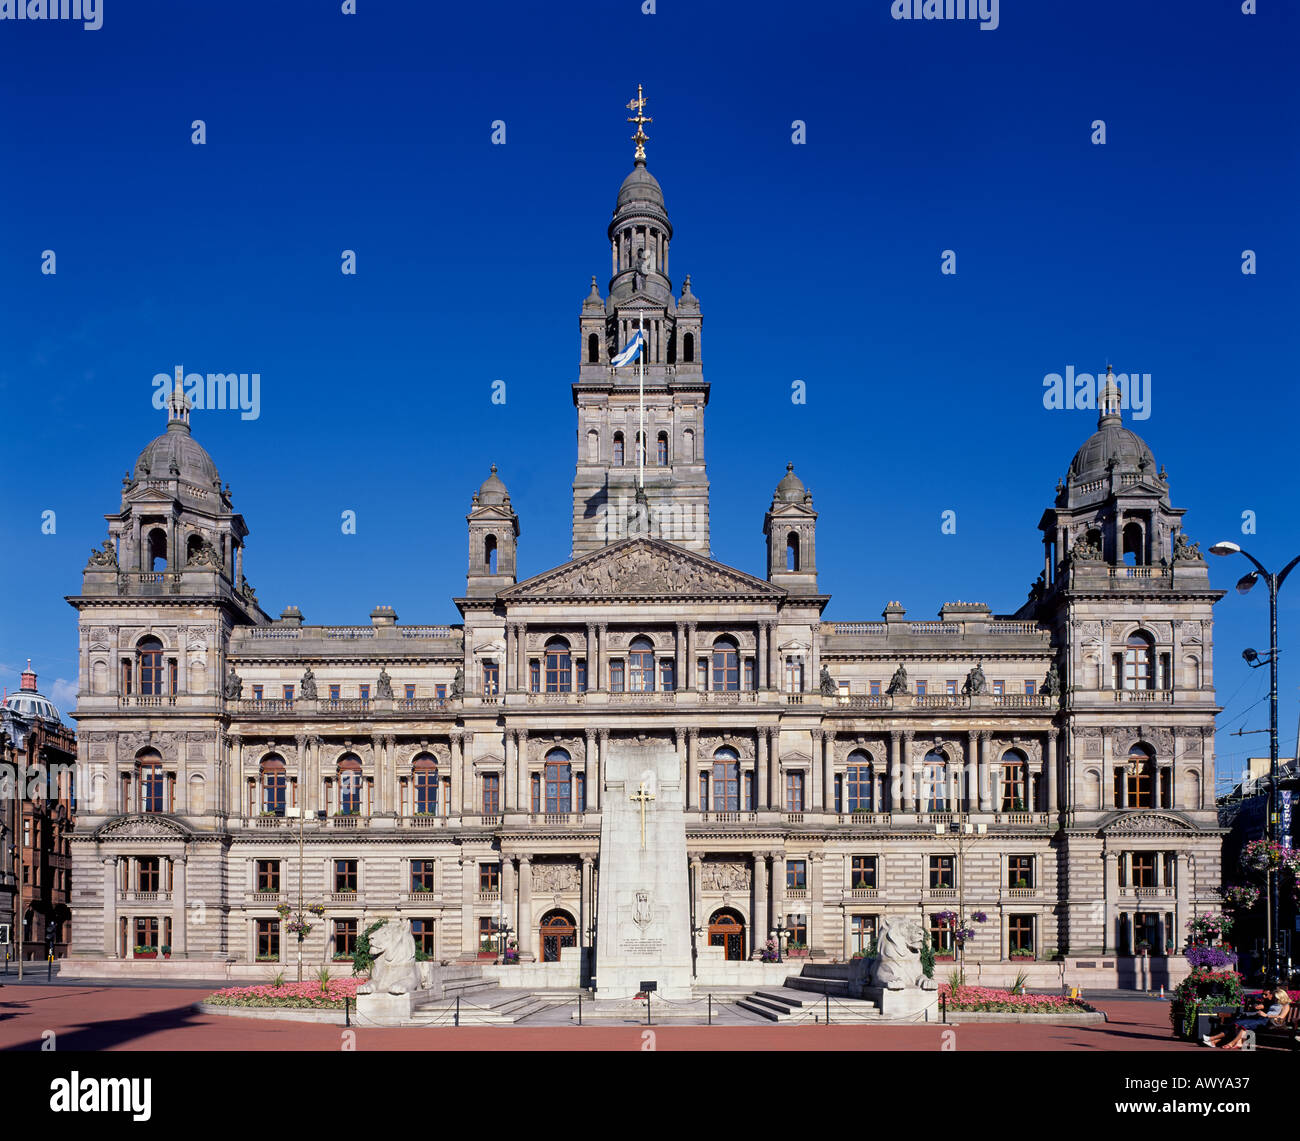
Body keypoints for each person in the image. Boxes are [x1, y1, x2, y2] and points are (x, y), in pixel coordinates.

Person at [1202, 989, 1290, 1048]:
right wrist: (1257, 1007)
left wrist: (1266, 1015)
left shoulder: (1286, 1005)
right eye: (1274, 997)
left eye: (1275, 997)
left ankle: (1223, 1041)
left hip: (1267, 1021)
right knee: (1236, 1023)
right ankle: (1215, 1040)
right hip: (1261, 1018)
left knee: (1244, 1025)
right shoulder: (1273, 1003)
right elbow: (1261, 1006)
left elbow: (1281, 1017)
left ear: (1281, 996)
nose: (1274, 998)